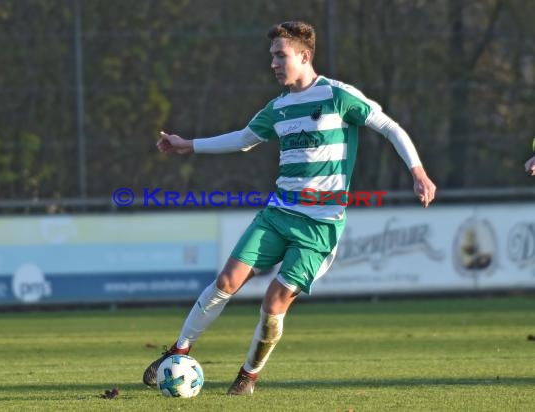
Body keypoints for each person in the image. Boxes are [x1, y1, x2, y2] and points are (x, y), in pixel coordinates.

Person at [143, 20, 437, 396]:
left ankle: (248, 375)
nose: (274, 63)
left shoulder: (337, 96)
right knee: (226, 281)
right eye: (272, 57)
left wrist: (417, 171)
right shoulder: (279, 107)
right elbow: (245, 138)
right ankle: (178, 351)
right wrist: (189, 144)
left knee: (274, 300)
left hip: (320, 225)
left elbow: (390, 127)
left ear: (304, 55)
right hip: (279, 213)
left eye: (280, 56)